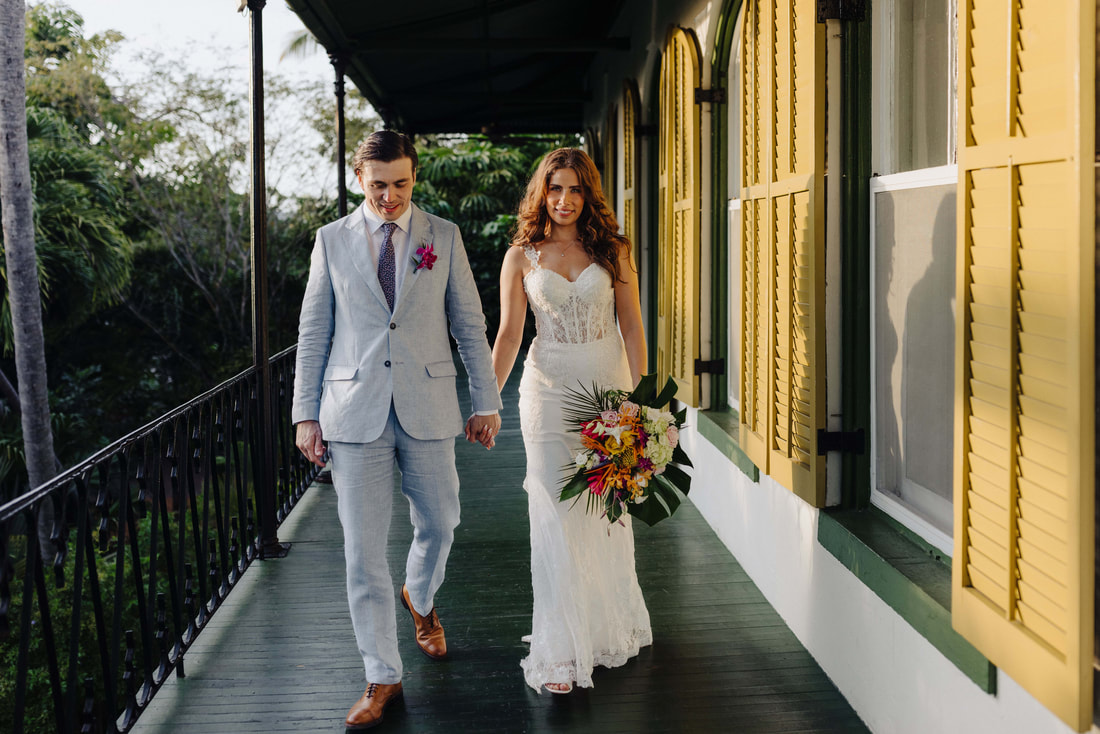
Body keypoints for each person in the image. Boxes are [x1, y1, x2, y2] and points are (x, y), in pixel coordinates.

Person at [292, 130, 502, 731]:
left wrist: (485, 400)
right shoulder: (330, 241)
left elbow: (468, 321)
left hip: (429, 403)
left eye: (401, 184)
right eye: (378, 184)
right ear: (361, 179)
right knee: (362, 553)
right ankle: (381, 674)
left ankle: (421, 596)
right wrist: (306, 413)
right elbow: (314, 332)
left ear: (415, 177)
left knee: (441, 520)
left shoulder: (444, 236)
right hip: (353, 412)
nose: (389, 196)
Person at [490, 148, 651, 694]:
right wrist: (488, 397)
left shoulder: (613, 251)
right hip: (547, 393)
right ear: (542, 192)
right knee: (554, 512)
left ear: (589, 194)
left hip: (607, 392)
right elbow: (511, 334)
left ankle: (603, 629)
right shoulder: (521, 256)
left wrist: (640, 402)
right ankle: (560, 651)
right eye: (555, 188)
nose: (564, 200)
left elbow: (632, 326)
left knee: (604, 513)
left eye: (576, 189)